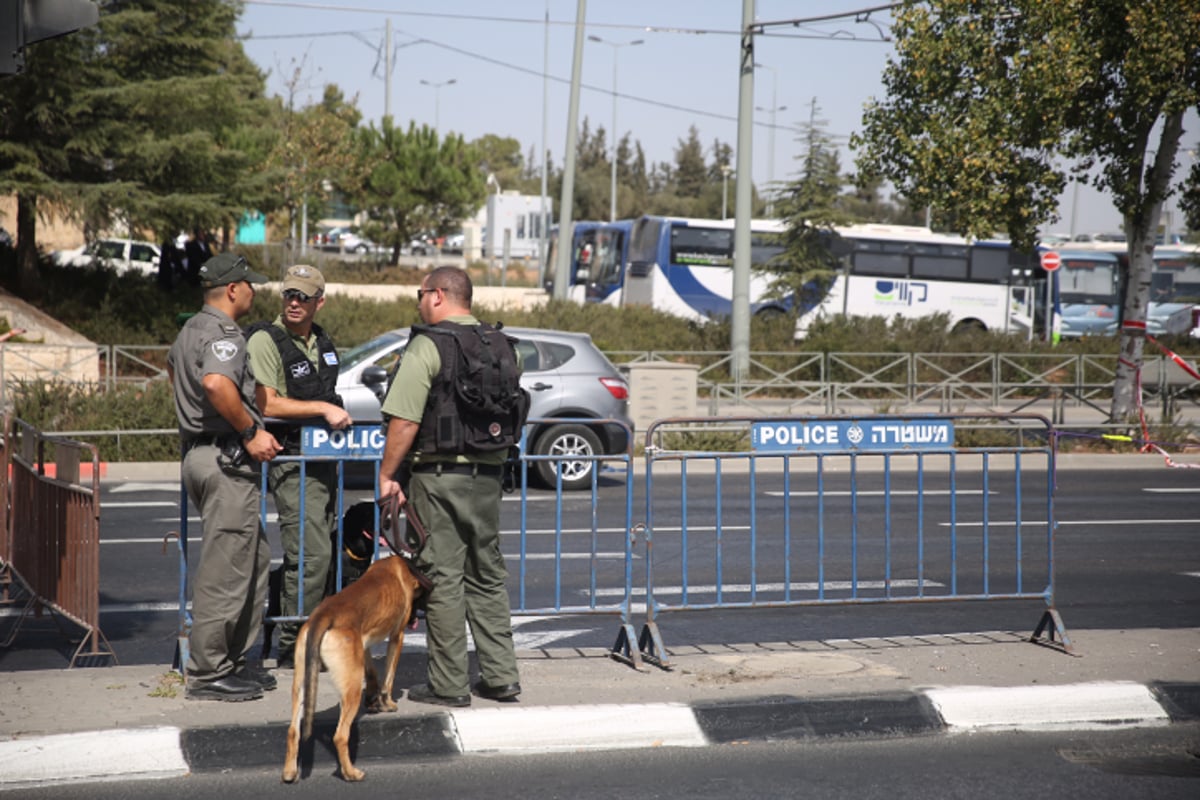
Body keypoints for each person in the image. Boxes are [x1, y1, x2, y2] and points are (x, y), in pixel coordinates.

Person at [377, 266, 522, 707]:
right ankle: (501, 677)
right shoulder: (499, 343)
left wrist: (386, 475)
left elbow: (404, 420)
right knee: (487, 575)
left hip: (439, 479)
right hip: (489, 477)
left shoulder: (428, 344)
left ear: (438, 295)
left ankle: (449, 684)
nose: (419, 302)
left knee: (441, 579)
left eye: (421, 294)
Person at [167, 252, 283, 701]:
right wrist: (251, 430)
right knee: (228, 569)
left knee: (250, 560)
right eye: (249, 284)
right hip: (224, 458)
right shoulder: (224, 335)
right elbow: (216, 384)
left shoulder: (191, 328)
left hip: (206, 454)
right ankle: (209, 671)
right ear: (233, 290)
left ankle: (233, 662)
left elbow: (174, 369)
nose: (254, 291)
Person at [246, 264, 352, 669]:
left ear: (318, 302)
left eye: (303, 297)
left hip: (324, 462)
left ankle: (314, 634)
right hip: (294, 463)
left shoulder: (321, 339)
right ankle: (294, 644)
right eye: (289, 294)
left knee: (322, 555)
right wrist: (323, 408)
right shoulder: (266, 340)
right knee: (310, 557)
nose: (294, 302)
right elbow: (266, 403)